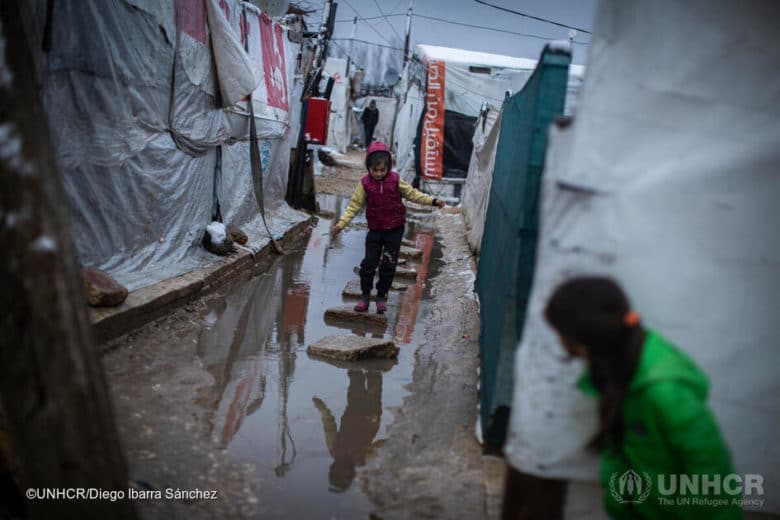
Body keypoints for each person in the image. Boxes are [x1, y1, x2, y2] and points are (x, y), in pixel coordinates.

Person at [538, 276, 740, 519]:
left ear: (586, 338)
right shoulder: (614, 369)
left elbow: (713, 476)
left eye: (563, 335)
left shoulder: (665, 392)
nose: (561, 344)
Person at [331, 141, 445, 313]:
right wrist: (341, 224)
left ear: (388, 167)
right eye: (374, 170)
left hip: (394, 230)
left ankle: (381, 297)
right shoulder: (365, 184)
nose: (378, 174)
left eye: (382, 170)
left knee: (388, 266)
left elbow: (413, 194)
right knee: (368, 265)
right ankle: (365, 297)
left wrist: (432, 201)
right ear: (368, 167)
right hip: (375, 231)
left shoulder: (396, 180)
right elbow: (353, 206)